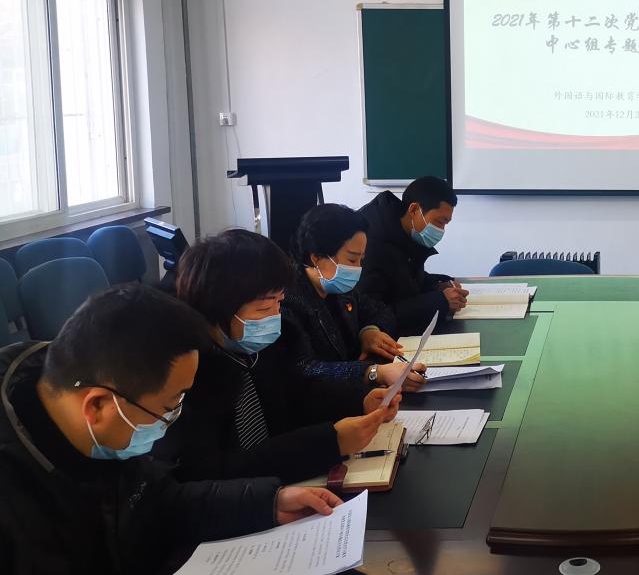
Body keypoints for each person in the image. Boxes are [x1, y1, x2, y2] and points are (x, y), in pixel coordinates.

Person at [0, 283, 344, 575]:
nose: (173, 419)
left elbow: (161, 503)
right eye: (169, 405)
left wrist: (266, 502)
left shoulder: (103, 434)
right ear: (97, 406)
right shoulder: (14, 492)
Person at [157, 229, 400, 484]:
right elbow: (215, 473)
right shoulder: (185, 377)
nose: (276, 316)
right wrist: (330, 442)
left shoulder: (256, 347)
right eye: (264, 307)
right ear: (219, 307)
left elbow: (298, 394)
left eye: (279, 303)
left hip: (285, 483)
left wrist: (359, 401)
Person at [283, 203, 424, 393]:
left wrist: (369, 331)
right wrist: (372, 373)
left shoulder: (340, 289)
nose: (358, 268)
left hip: (355, 394)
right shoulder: (287, 300)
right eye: (351, 259)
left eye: (361, 259)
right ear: (316, 257)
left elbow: (380, 310)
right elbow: (305, 370)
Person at [359, 176, 467, 334]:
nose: (441, 230)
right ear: (414, 210)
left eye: (445, 224)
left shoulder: (405, 231)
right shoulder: (371, 244)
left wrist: (438, 284)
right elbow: (374, 313)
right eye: (439, 221)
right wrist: (440, 301)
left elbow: (406, 282)